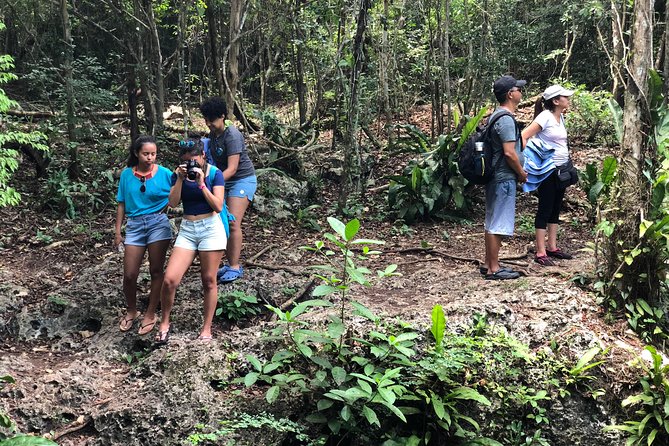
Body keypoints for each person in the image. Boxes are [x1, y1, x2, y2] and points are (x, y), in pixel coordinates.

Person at [156, 138, 226, 343]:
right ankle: (165, 322)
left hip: (210, 228)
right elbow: (173, 202)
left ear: (203, 156)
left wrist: (201, 183)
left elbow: (218, 206)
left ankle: (206, 328)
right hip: (188, 229)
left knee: (209, 280)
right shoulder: (177, 175)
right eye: (186, 161)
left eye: (194, 160)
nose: (191, 165)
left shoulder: (215, 174)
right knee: (170, 279)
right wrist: (179, 179)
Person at [114, 135, 173, 335]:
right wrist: (117, 230)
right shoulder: (126, 175)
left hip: (158, 223)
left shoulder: (165, 173)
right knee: (130, 274)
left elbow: (177, 194)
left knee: (156, 270)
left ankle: (150, 313)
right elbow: (121, 202)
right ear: (136, 154)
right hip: (135, 225)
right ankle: (132, 310)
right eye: (146, 154)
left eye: (153, 154)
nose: (150, 157)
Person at [199, 97, 257, 283]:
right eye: (206, 120)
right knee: (220, 222)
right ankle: (225, 263)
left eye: (212, 120)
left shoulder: (232, 135)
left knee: (232, 222)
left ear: (222, 116)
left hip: (241, 180)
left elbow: (232, 169)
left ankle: (234, 266)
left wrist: (211, 183)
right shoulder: (213, 136)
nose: (209, 124)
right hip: (224, 180)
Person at [521, 84, 575, 266]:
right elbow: (524, 136)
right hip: (548, 171)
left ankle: (552, 246)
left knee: (555, 208)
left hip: (561, 170)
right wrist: (529, 162)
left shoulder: (560, 118)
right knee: (545, 208)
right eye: (565, 97)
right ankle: (540, 251)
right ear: (556, 101)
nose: (568, 99)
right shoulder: (545, 117)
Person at [482, 75, 528, 280]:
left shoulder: (496, 115)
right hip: (503, 177)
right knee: (497, 222)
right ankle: (494, 268)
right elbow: (509, 153)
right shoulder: (506, 119)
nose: (521, 92)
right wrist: (521, 172)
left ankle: (489, 263)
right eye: (518, 89)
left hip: (495, 176)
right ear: (511, 94)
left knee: (492, 220)